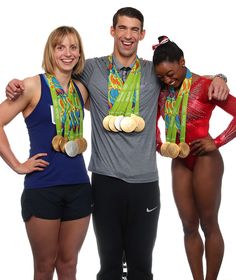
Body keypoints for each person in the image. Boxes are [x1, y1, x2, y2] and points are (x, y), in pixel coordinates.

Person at [5, 7, 229, 280]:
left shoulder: (153, 72)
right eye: (122, 28)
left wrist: (220, 77)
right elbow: (57, 76)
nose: (128, 35)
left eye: (134, 29)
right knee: (109, 268)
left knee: (141, 268)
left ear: (142, 35)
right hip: (104, 180)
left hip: (145, 182)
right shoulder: (90, 69)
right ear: (112, 31)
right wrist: (16, 85)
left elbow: (186, 78)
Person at [0, 26, 93, 280]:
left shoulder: (81, 90)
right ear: (50, 51)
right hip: (43, 187)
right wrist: (17, 165)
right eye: (60, 47)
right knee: (44, 267)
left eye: (73, 47)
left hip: (79, 187)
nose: (67, 53)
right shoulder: (31, 85)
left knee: (69, 265)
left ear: (79, 53)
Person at [153, 36, 236, 280]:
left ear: (182, 62)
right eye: (162, 77)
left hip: (205, 158)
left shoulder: (204, 86)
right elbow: (153, 122)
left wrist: (217, 141)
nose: (168, 80)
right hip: (179, 159)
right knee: (188, 225)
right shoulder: (164, 92)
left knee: (208, 224)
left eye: (171, 73)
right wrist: (159, 145)